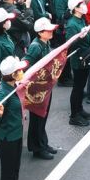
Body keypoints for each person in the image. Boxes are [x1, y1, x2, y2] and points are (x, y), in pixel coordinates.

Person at [25, 17, 58, 160]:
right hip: (37, 89)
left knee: (42, 116)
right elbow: (27, 64)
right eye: (48, 30)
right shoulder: (35, 47)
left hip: (45, 87)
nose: (51, 32)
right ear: (40, 32)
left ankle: (43, 143)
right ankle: (37, 147)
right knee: (37, 118)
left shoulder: (45, 43)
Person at [64, 0, 90, 127]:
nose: (84, 6)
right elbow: (70, 44)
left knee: (81, 86)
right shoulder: (72, 24)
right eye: (81, 4)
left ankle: (79, 109)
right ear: (75, 8)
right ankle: (74, 115)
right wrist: (80, 36)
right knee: (77, 87)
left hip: (86, 57)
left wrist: (89, 29)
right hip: (78, 60)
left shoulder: (81, 20)